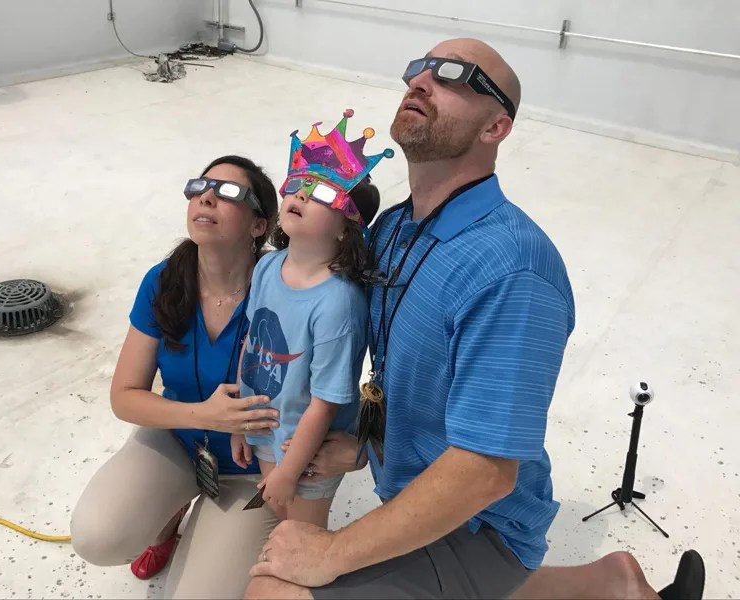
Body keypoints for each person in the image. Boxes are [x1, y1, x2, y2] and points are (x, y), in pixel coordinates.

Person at [244, 39, 705, 600]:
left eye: (454, 75)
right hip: (418, 494)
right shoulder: (394, 231)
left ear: (496, 129)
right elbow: (392, 377)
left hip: (483, 526)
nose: (421, 81)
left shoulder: (512, 270)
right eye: (418, 68)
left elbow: (486, 472)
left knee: (271, 591)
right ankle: (610, 586)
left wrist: (332, 552)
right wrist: (362, 443)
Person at [70, 155, 283, 599]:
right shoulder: (165, 281)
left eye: (228, 192)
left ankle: (210, 519)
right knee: (98, 536)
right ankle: (168, 519)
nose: (206, 196)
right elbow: (125, 396)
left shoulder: (286, 290)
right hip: (179, 440)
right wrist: (204, 416)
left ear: (259, 226)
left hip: (253, 469)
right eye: (200, 186)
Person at [231, 109, 391, 529]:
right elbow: (252, 342)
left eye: (321, 194)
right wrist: (239, 421)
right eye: (298, 186)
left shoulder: (337, 302)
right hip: (266, 426)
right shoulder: (267, 267)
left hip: (308, 449)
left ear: (346, 227)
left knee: (302, 533)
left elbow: (326, 400)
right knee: (279, 518)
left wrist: (288, 470)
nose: (300, 196)